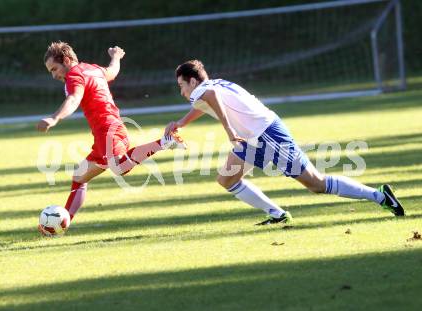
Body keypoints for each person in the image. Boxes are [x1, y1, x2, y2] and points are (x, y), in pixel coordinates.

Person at [165, 59, 405, 225]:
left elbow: (210, 99)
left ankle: (381, 196)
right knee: (226, 178)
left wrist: (228, 129)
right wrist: (181, 123)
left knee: (316, 184)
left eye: (181, 85)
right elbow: (207, 103)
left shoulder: (206, 90)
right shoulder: (214, 83)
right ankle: (277, 214)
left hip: (267, 134)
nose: (181, 92)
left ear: (193, 81)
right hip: (252, 137)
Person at [37, 41, 186, 233]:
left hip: (108, 130)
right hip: (105, 134)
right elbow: (112, 71)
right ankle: (61, 224)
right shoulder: (93, 69)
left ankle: (165, 141)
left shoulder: (74, 76)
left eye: (54, 69)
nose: (53, 75)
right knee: (79, 177)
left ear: (66, 60)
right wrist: (116, 57)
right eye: (50, 71)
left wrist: (54, 118)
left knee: (119, 167)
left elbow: (73, 99)